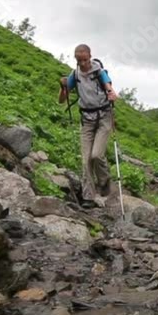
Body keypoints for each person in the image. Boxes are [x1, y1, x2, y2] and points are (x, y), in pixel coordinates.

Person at [59, 44, 119, 207]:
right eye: (79, 61)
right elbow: (62, 100)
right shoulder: (75, 74)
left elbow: (108, 86)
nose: (83, 64)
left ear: (90, 56)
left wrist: (111, 92)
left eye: (85, 60)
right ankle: (88, 198)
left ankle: (104, 181)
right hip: (86, 120)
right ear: (76, 59)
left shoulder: (99, 71)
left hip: (104, 118)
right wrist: (63, 87)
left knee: (96, 155)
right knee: (86, 160)